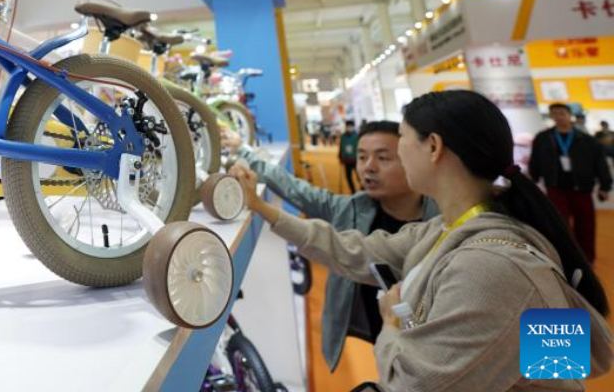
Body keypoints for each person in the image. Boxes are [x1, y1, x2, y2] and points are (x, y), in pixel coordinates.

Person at [230, 90, 613, 390]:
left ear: (433, 146)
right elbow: (356, 251)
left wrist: (393, 328)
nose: (380, 160)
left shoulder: (491, 268)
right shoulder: (451, 228)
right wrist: (264, 210)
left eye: (399, 142)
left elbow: (409, 386)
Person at [235, 121, 439, 372]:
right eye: (362, 157)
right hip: (382, 332)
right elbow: (295, 189)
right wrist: (243, 152)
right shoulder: (350, 208)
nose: (368, 167)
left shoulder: (441, 220)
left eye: (383, 158)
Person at [529, 103, 611, 262]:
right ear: (551, 116)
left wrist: (605, 185)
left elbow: (599, 163)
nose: (558, 117)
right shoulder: (543, 138)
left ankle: (587, 259)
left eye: (562, 113)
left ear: (569, 115)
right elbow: (536, 160)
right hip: (555, 187)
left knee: (585, 226)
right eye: (554, 114)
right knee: (559, 225)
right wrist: (534, 178)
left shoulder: (587, 140)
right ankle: (564, 259)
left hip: (582, 188)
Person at [340, 120, 360, 193]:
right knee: (348, 177)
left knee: (359, 176)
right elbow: (341, 147)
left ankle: (363, 189)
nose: (349, 128)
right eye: (348, 126)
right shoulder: (343, 136)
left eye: (351, 126)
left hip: (355, 160)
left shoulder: (356, 136)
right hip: (347, 160)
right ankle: (353, 191)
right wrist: (340, 157)